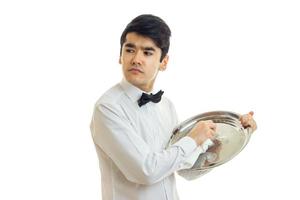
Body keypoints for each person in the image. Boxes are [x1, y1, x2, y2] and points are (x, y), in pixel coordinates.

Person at [90, 14, 257, 200]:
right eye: (130, 50)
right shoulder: (108, 108)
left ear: (164, 62)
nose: (136, 59)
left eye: (147, 52)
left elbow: (185, 170)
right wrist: (193, 139)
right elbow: (146, 171)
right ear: (120, 56)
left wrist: (226, 139)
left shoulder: (166, 106)